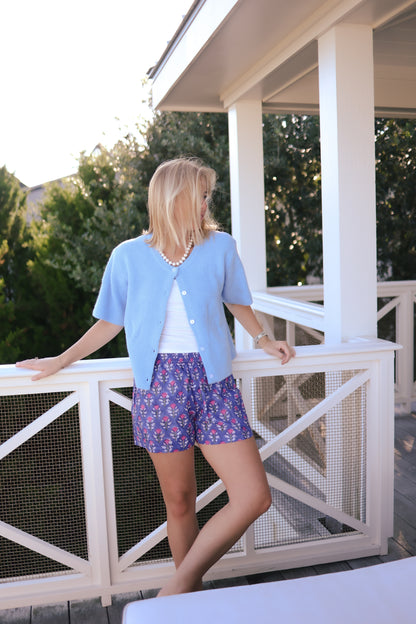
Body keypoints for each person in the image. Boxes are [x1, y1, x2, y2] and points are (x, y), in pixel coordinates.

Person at [16, 157, 295, 596]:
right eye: (201, 194)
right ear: (175, 197)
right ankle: (188, 604)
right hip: (160, 386)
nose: (207, 202)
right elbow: (109, 323)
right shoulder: (127, 256)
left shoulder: (221, 246)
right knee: (180, 502)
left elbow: (237, 301)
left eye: (208, 195)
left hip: (215, 383)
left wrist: (263, 340)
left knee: (253, 496)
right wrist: (60, 360)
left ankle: (174, 591)